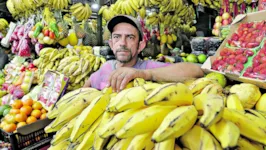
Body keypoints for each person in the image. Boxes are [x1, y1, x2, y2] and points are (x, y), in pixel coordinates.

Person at [84, 15, 204, 92]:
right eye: (117, 37)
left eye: (130, 37)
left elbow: (195, 70)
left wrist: (144, 74)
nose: (122, 43)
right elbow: (88, 85)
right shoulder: (106, 67)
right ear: (111, 44)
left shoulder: (149, 68)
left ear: (140, 45)